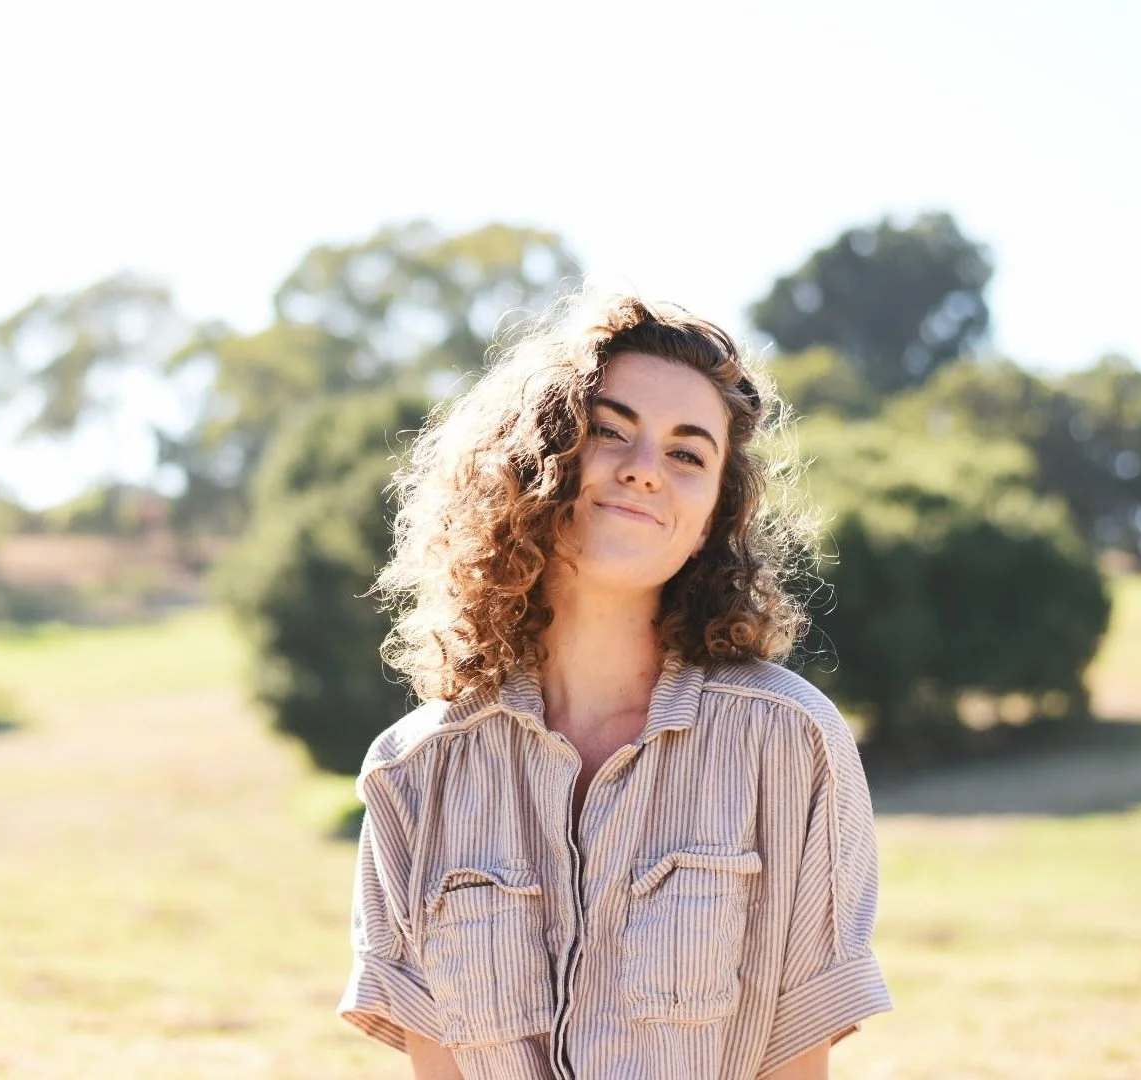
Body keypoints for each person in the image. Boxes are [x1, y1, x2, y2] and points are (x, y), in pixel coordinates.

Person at [337, 292, 891, 1079]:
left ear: (712, 518)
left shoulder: (789, 739)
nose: (642, 470)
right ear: (537, 458)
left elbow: (793, 1055)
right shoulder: (414, 771)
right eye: (608, 430)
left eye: (687, 454)